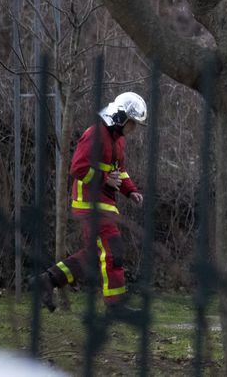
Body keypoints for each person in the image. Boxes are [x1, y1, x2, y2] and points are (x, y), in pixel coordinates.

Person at [33, 92, 146, 314]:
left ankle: (48, 280)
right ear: (121, 117)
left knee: (94, 256)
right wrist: (105, 179)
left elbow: (119, 172)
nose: (133, 129)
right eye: (132, 123)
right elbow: (78, 168)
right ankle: (116, 306)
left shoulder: (118, 140)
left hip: (104, 204)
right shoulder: (95, 134)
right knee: (114, 250)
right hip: (90, 205)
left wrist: (130, 191)